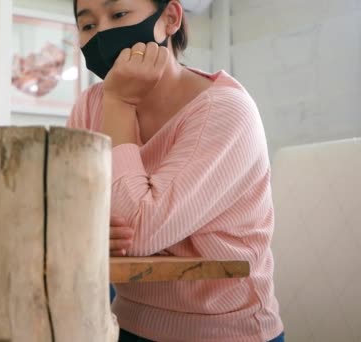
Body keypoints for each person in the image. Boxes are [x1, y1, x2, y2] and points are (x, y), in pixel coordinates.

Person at [66, 1, 285, 341]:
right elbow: (65, 210)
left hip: (223, 331)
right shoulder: (91, 104)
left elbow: (138, 233)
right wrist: (80, 226)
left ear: (169, 18)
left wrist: (120, 104)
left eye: (119, 15)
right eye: (88, 26)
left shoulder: (226, 111)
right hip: (122, 322)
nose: (103, 34)